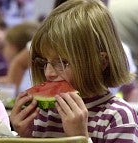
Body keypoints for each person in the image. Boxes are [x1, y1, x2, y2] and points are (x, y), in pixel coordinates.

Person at [10, 0, 138, 142]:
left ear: (101, 62)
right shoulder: (42, 115)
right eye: (45, 62)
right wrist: (24, 137)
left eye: (62, 62)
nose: (48, 73)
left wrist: (80, 137)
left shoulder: (118, 117)